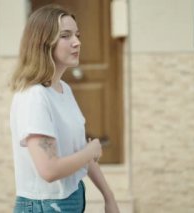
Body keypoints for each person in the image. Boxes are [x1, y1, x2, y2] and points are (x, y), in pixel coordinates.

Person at [9, 4, 120, 213]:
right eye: (66, 36)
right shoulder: (33, 97)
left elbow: (80, 150)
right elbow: (49, 170)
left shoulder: (63, 89)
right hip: (46, 205)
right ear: (43, 43)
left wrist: (109, 196)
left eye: (77, 35)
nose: (77, 42)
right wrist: (90, 152)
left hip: (73, 196)